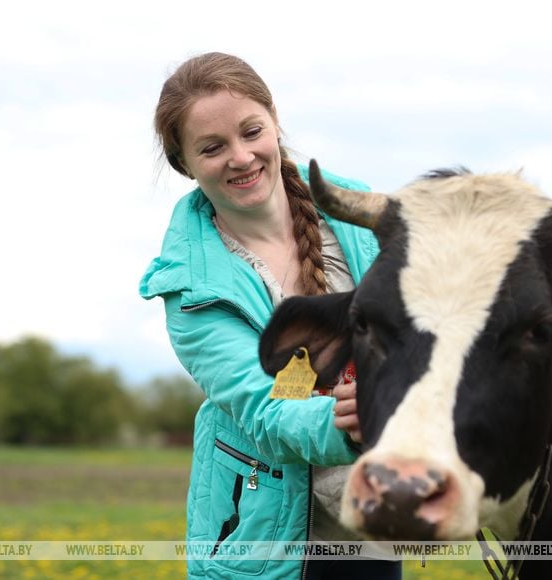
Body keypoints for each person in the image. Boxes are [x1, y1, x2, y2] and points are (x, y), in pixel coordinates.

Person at [140, 52, 401, 579]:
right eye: (212, 147)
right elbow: (265, 410)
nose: (241, 157)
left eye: (251, 131)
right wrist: (353, 422)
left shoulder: (362, 214)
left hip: (374, 531)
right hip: (267, 546)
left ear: (275, 120)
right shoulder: (190, 287)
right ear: (184, 163)